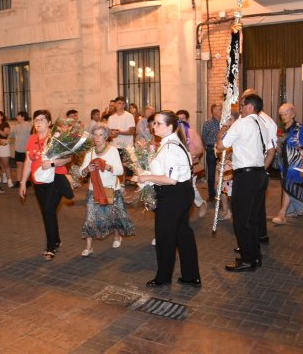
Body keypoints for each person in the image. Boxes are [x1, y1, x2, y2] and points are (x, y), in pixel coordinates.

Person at [137, 111, 200, 287]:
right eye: (154, 123)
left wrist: (146, 178)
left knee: (165, 237)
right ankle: (190, 275)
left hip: (174, 194)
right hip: (181, 192)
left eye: (158, 123)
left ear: (170, 126)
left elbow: (170, 179)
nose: (153, 126)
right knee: (182, 234)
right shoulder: (169, 144)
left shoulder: (171, 147)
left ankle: (163, 278)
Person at [217, 94, 271, 272]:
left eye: (242, 105)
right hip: (259, 174)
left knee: (241, 219)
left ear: (249, 106)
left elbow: (221, 145)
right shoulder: (263, 124)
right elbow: (269, 149)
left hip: (246, 177)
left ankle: (248, 260)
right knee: (253, 218)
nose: (240, 108)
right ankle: (254, 255)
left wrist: (223, 128)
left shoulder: (242, 123)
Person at [19, 110, 72, 261]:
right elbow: (28, 162)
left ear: (49, 123)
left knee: (48, 211)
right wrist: (23, 182)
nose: (39, 122)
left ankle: (51, 246)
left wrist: (52, 163)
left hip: (55, 179)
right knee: (48, 213)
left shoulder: (56, 138)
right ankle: (56, 239)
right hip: (38, 182)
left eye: (42, 119)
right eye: (36, 120)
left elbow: (68, 158)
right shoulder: (32, 139)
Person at [79, 123, 134, 256]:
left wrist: (108, 167)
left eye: (101, 135)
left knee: (113, 216)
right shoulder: (90, 153)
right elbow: (81, 172)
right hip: (94, 190)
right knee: (90, 218)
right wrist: (87, 169)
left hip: (110, 189)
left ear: (106, 137)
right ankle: (89, 247)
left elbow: (120, 170)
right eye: (95, 135)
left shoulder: (113, 150)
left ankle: (116, 237)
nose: (97, 138)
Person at [242, 89, 277, 245]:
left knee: (252, 207)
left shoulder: (264, 121)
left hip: (256, 169)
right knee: (257, 205)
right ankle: (260, 235)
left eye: (244, 101)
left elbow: (271, 148)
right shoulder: (253, 119)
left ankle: (255, 239)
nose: (241, 105)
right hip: (257, 169)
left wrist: (262, 169)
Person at [271, 103, 303, 225]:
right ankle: (293, 210)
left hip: (295, 164)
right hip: (284, 164)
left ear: (293, 113)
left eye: (285, 113)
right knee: (287, 187)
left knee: (288, 187)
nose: (283, 116)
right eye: (281, 114)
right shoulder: (281, 129)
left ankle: (282, 214)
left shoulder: (299, 128)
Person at [177, 109, 207, 218]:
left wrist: (188, 154)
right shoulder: (174, 133)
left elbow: (200, 149)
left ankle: (201, 204)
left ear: (187, 119)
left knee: (191, 187)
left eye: (183, 119)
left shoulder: (192, 132)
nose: (180, 121)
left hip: (191, 166)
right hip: (177, 167)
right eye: (178, 119)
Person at [107, 96, 136, 185]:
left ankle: (122, 184)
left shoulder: (129, 116)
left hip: (126, 145)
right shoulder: (111, 118)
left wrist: (120, 132)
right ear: (115, 104)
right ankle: (115, 183)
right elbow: (109, 133)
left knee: (124, 165)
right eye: (119, 103)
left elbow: (132, 131)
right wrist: (112, 134)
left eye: (123, 104)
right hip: (115, 145)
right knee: (115, 165)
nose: (121, 105)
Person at [202, 104, 222, 202]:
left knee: (224, 172)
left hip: (222, 150)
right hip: (211, 149)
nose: (221, 110)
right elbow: (204, 137)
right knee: (211, 173)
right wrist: (208, 147)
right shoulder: (208, 123)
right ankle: (211, 195)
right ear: (213, 111)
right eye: (219, 109)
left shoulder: (224, 122)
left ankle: (223, 194)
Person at [11, 111, 32, 188]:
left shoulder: (29, 126)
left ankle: (28, 181)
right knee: (19, 165)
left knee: (27, 166)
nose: (17, 117)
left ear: (23, 117)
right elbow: (12, 136)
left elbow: (32, 138)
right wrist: (7, 141)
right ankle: (18, 181)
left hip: (27, 150)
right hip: (18, 149)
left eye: (18, 116)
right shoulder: (17, 126)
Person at [0, 111, 14, 188]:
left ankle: (9, 180)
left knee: (6, 164)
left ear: (2, 117)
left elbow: (5, 134)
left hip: (4, 145)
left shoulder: (5, 124)